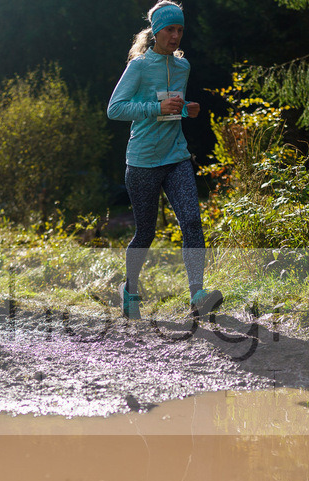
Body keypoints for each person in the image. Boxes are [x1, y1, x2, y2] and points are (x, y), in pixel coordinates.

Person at [107, 0, 222, 320]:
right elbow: (114, 109)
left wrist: (187, 109)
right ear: (157, 31)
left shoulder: (183, 66)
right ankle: (129, 290)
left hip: (176, 156)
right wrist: (158, 109)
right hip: (143, 160)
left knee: (191, 221)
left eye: (180, 29)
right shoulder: (140, 66)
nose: (176, 36)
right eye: (170, 29)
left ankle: (198, 295)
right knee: (145, 234)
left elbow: (173, 108)